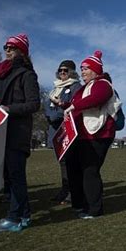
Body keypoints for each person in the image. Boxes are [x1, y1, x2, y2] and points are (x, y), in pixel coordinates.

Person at [0, 33, 40, 232]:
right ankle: (25, 215)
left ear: (21, 51)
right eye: (6, 46)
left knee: (15, 175)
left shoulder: (27, 75)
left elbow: (34, 104)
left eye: (12, 47)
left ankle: (14, 217)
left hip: (16, 133)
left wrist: (9, 109)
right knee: (8, 175)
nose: (7, 50)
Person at [63, 50, 118, 219]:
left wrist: (73, 106)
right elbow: (77, 104)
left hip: (98, 135)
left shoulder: (103, 84)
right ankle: (80, 204)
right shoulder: (85, 87)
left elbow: (96, 99)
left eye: (86, 68)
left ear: (95, 70)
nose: (82, 72)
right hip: (82, 136)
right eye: (81, 68)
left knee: (89, 170)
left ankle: (94, 208)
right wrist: (63, 104)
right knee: (75, 168)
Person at [45, 60, 81, 205]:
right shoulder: (55, 88)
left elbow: (73, 106)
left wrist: (55, 114)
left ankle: (72, 192)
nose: (62, 73)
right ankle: (65, 190)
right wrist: (52, 114)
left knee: (70, 163)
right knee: (62, 163)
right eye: (60, 70)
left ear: (71, 72)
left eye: (65, 71)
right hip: (55, 130)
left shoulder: (76, 87)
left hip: (67, 129)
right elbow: (47, 106)